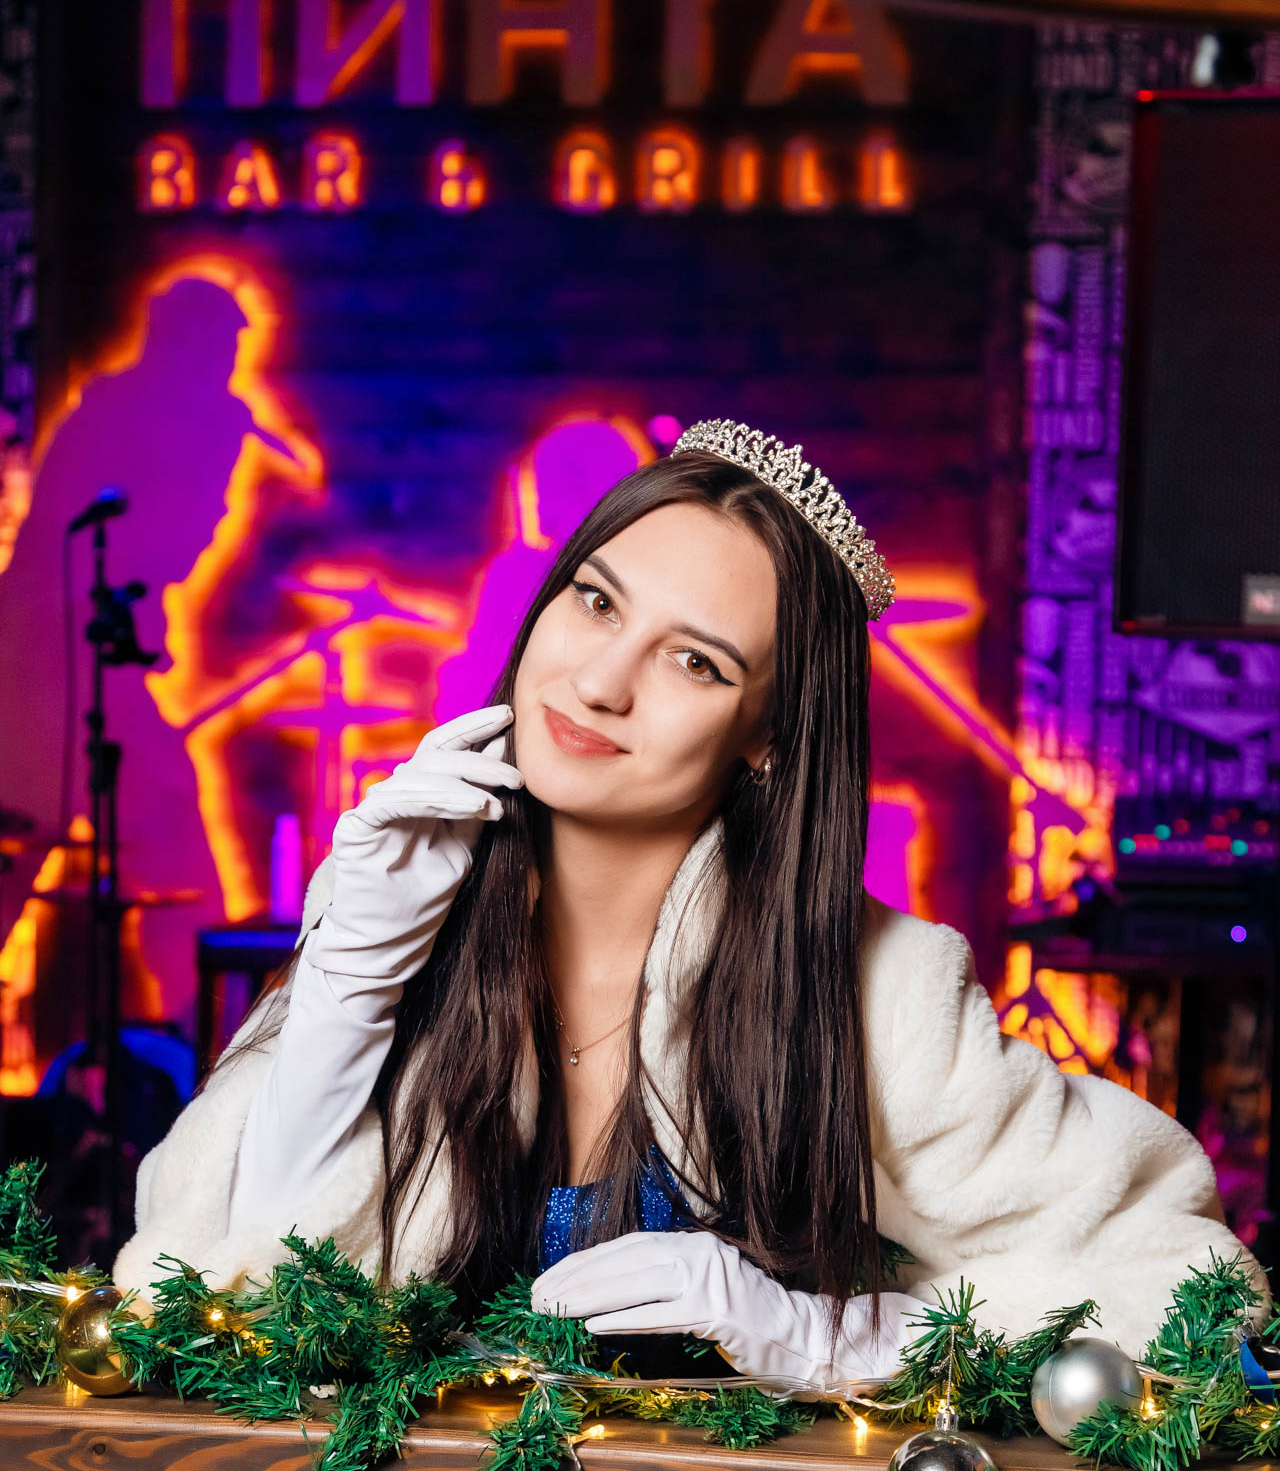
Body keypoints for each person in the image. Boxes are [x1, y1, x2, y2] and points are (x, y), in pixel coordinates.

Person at [111, 422, 1269, 1396]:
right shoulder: (388, 911)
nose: (599, 682)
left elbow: (1191, 1288)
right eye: (594, 602)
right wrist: (350, 984)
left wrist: (832, 1341)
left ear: (767, 739)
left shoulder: (875, 994)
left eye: (696, 663)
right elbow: (208, 1297)